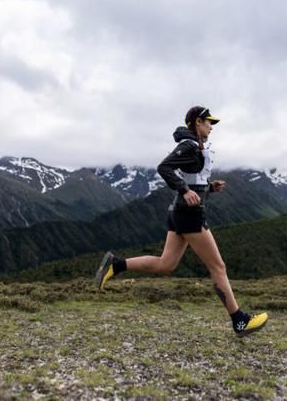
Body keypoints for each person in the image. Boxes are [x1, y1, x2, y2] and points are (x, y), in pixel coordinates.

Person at [94, 106, 268, 337]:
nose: (211, 128)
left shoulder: (195, 146)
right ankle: (239, 321)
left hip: (180, 212)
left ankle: (116, 265)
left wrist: (209, 188)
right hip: (189, 214)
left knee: (166, 264)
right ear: (197, 122)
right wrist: (185, 190)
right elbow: (164, 168)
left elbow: (191, 178)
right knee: (218, 267)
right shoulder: (189, 145)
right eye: (208, 123)